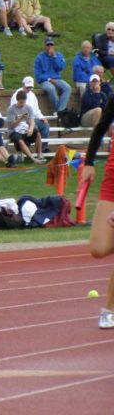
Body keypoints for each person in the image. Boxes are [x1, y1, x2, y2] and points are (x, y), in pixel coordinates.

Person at [80, 95, 114, 329]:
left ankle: (109, 309)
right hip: (112, 177)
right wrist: (90, 163)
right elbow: (101, 127)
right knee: (98, 248)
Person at [10, 76, 51, 150]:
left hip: (32, 119)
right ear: (23, 85)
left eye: (30, 87)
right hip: (23, 120)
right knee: (35, 128)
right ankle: (28, 146)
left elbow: (36, 110)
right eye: (27, 87)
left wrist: (41, 117)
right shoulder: (16, 95)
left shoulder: (32, 95)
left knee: (45, 125)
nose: (29, 89)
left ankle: (44, 148)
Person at [34, 37, 71, 114]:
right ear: (45, 46)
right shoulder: (39, 58)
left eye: (51, 44)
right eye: (48, 44)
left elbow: (61, 67)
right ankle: (60, 111)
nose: (50, 46)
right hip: (44, 80)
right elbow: (38, 75)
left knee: (67, 88)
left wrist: (54, 57)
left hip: (57, 79)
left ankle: (59, 110)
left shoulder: (58, 55)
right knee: (51, 89)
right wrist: (49, 79)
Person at [6, 90, 45, 163]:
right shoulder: (11, 109)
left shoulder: (28, 107)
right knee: (20, 141)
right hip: (14, 131)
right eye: (21, 102)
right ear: (17, 101)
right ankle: (33, 159)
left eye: (24, 102)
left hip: (25, 129)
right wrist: (21, 118)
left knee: (38, 133)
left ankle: (39, 155)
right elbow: (11, 125)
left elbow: (32, 121)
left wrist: (30, 129)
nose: (23, 104)